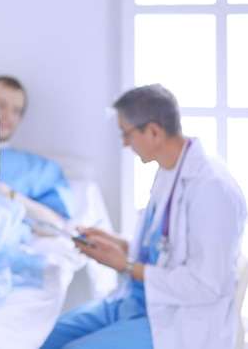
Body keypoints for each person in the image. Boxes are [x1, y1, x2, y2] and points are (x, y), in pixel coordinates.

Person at [41, 84, 247, 349]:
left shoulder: (213, 189)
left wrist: (124, 265)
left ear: (153, 132)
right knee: (44, 337)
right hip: (138, 301)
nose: (125, 144)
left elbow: (205, 286)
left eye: (126, 134)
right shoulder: (169, 169)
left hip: (178, 319)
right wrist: (114, 244)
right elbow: (162, 248)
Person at [0, 76, 73, 229]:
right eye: (0, 105)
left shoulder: (40, 169)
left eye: (16, 110)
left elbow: (57, 228)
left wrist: (7, 194)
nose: (7, 116)